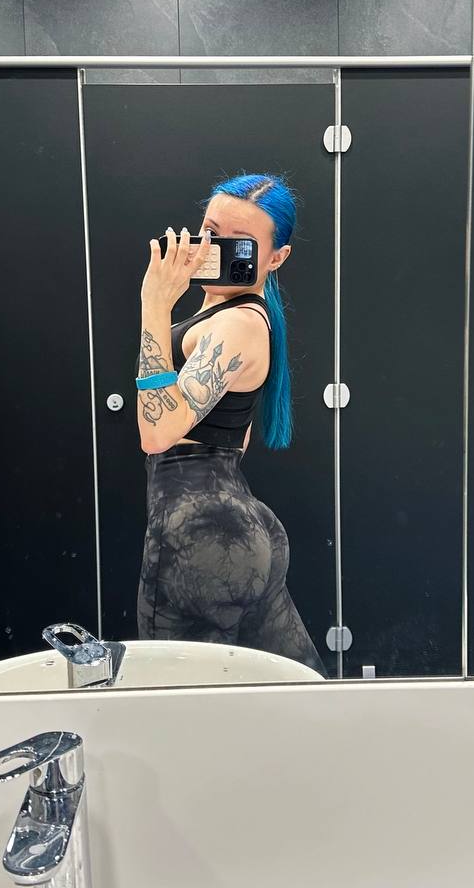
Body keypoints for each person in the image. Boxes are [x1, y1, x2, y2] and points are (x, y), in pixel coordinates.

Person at [134, 173, 324, 674]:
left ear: (276, 258)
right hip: (236, 524)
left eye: (238, 242)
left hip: (197, 535)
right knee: (300, 693)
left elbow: (157, 433)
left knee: (180, 701)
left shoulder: (237, 324)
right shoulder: (233, 314)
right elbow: (234, 438)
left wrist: (154, 302)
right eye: (210, 231)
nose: (215, 249)